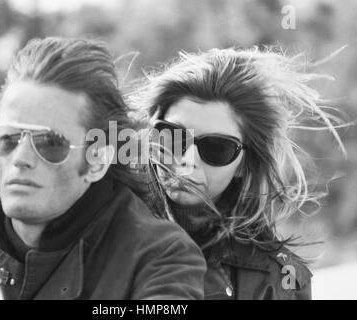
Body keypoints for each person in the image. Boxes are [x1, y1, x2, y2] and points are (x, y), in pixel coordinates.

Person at [0, 37, 206, 300]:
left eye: (49, 142)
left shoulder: (160, 258)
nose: (20, 157)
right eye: (9, 138)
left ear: (97, 160)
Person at [127, 47, 345, 299]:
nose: (187, 162)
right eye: (173, 138)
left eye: (217, 148)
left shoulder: (278, 280)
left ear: (244, 163)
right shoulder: (100, 228)